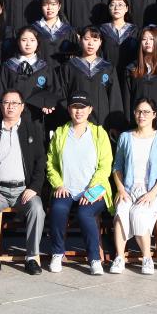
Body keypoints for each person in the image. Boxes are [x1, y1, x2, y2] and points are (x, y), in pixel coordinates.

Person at [0, 89, 47, 276]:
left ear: (22, 107)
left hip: (24, 190)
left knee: (37, 209)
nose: (10, 106)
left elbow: (41, 162)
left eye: (15, 103)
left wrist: (34, 187)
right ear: (1, 106)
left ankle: (31, 258)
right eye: (6, 102)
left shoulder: (32, 129)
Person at [46, 91, 113, 276]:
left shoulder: (99, 133)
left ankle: (94, 259)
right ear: (69, 109)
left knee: (85, 214)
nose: (79, 111)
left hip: (94, 189)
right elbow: (51, 163)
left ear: (90, 109)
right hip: (66, 189)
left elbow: (105, 165)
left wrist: (92, 190)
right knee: (58, 209)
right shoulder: (60, 133)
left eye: (83, 107)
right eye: (75, 107)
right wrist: (58, 184)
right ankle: (57, 253)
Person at [109, 98, 157, 276]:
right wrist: (121, 189)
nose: (142, 115)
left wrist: (152, 194)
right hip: (128, 188)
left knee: (138, 213)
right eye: (138, 111)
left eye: (146, 112)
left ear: (154, 115)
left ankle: (147, 258)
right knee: (121, 211)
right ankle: (119, 257)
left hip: (153, 190)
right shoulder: (125, 137)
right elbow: (117, 166)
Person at [59, 26, 124, 134]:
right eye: (87, 39)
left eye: (95, 40)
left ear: (100, 42)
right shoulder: (70, 66)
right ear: (80, 40)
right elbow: (62, 94)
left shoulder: (107, 68)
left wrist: (114, 124)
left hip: (102, 123)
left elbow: (114, 97)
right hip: (76, 121)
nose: (90, 43)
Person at [99, 0, 139, 82]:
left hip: (129, 76)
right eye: (112, 4)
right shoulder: (101, 30)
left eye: (120, 4)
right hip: (107, 75)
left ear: (126, 8)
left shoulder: (135, 30)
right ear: (108, 8)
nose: (116, 8)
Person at [32, 0, 77, 65]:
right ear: (41, 7)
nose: (49, 8)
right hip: (40, 71)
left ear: (59, 6)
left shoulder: (69, 31)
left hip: (62, 70)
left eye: (53, 4)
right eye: (45, 4)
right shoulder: (33, 30)